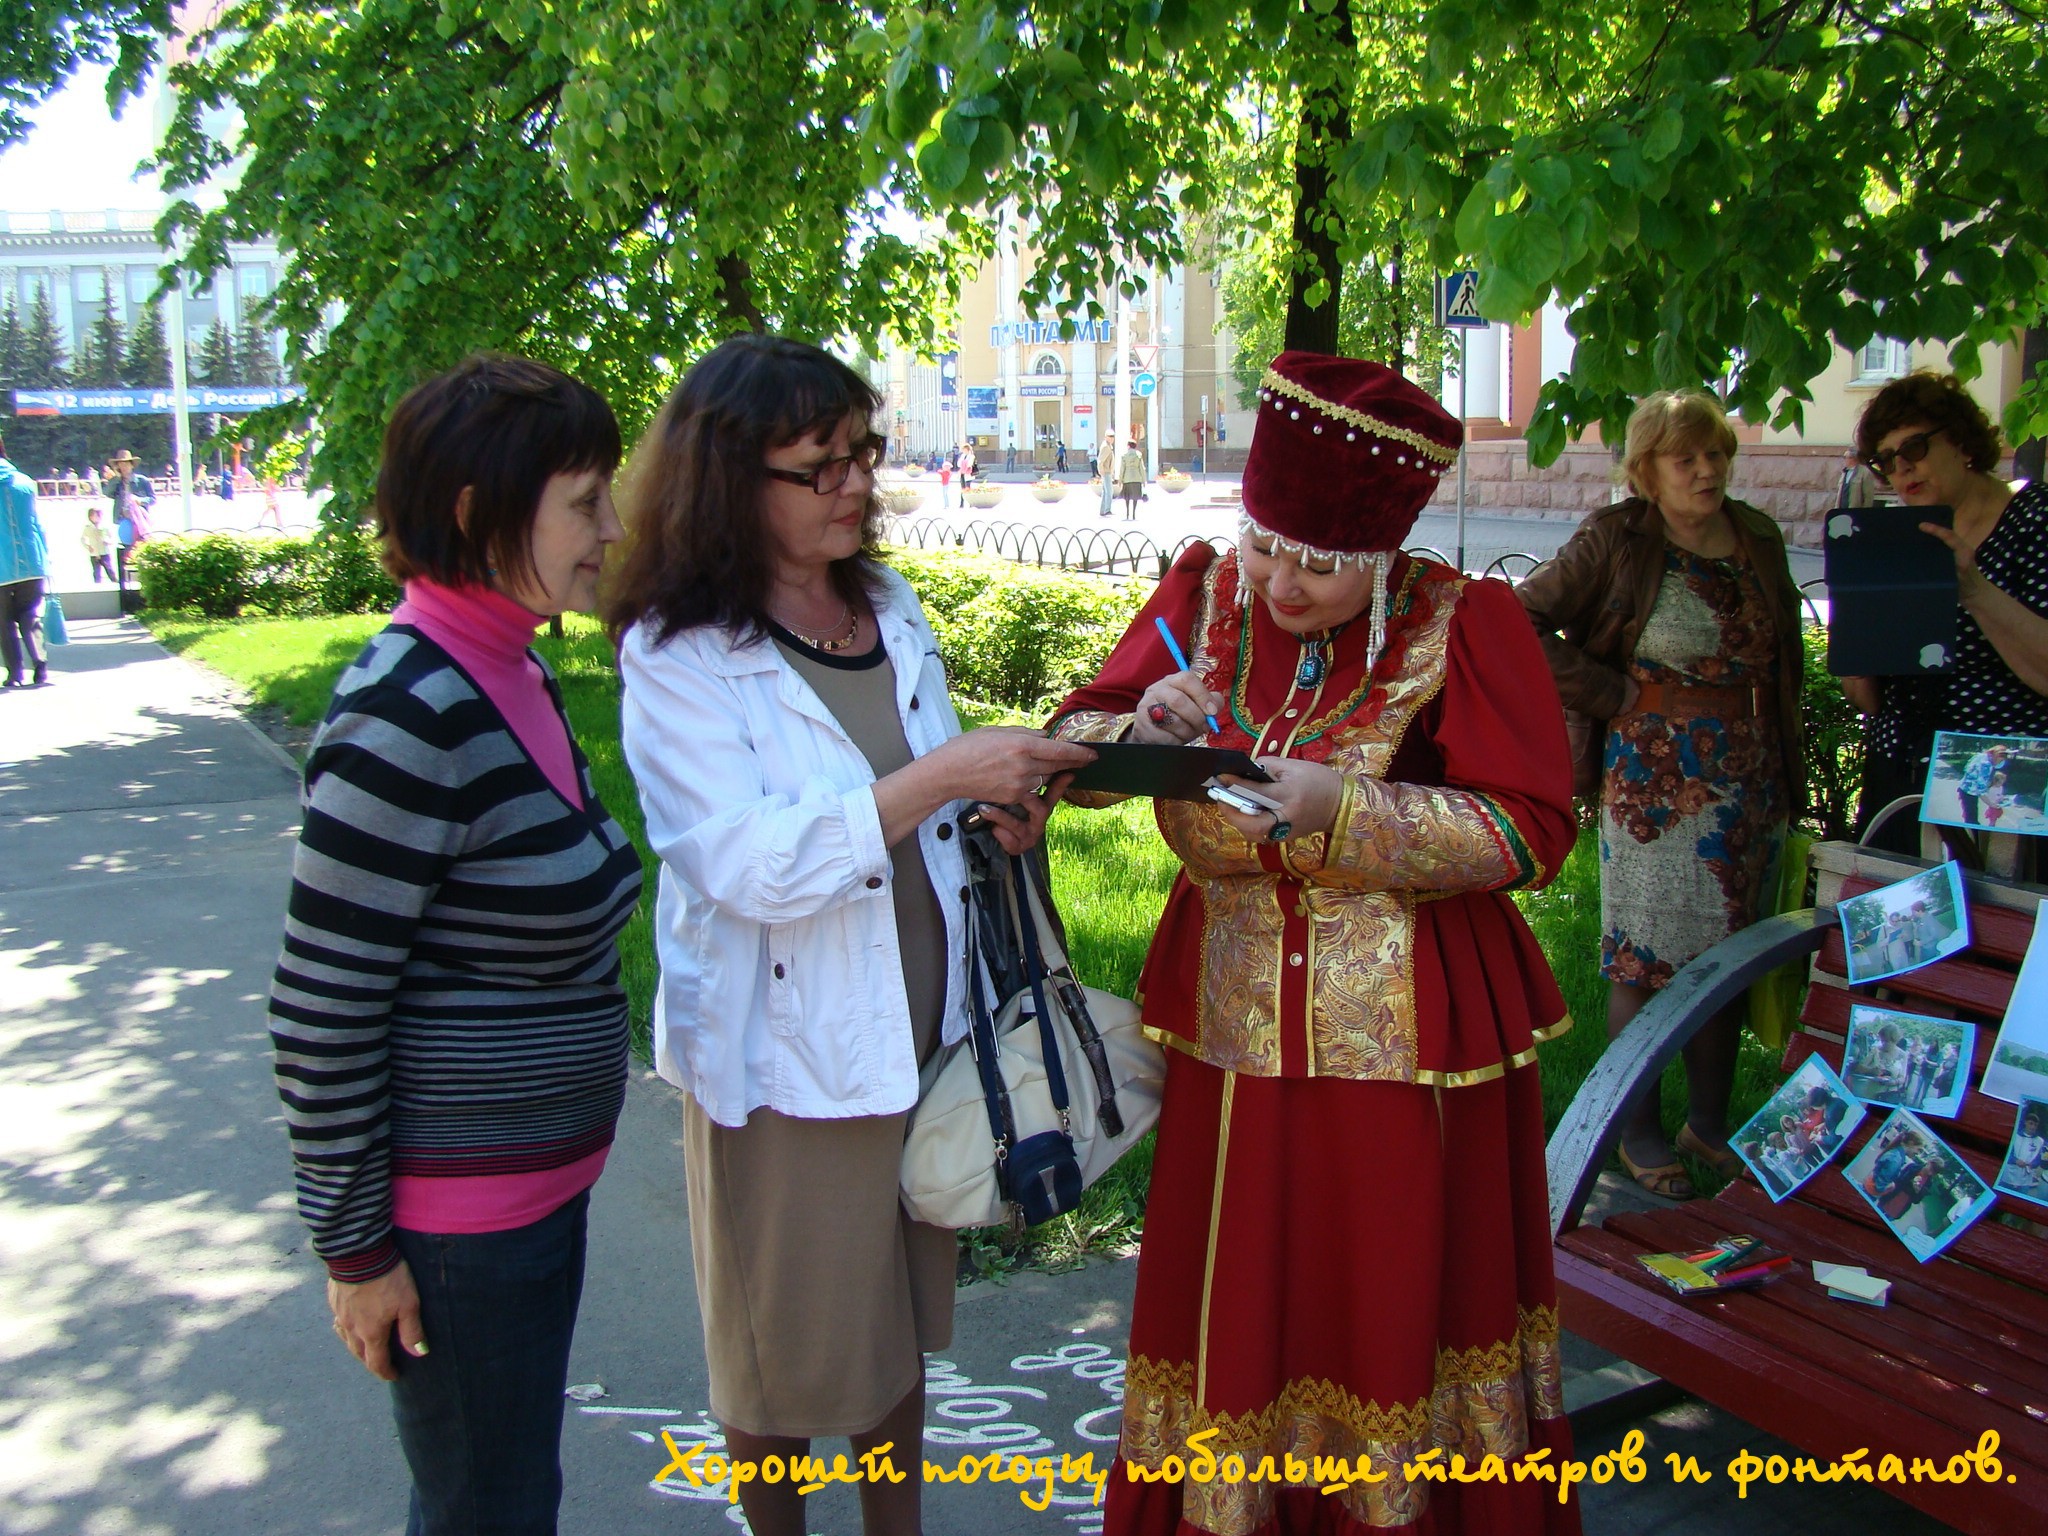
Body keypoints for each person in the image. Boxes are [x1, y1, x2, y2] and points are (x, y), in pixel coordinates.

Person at [1050, 351, 1580, 1535]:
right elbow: (1073, 744)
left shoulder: (1460, 623)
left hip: (1403, 1040)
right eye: (1264, 546)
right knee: (1237, 1291)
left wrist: (1343, 810)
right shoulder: (1203, 593)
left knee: (1382, 1291)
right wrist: (1142, 726)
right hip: (1229, 1028)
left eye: (1320, 565)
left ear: (1381, 555)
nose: (1280, 583)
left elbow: (1530, 829)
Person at [606, 333, 1095, 1536]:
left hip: (922, 1023)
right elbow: (740, 863)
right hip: (784, 1054)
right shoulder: (676, 652)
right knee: (775, 1352)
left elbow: (921, 795)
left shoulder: (886, 605)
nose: (856, 483)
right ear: (729, 480)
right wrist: (940, 778)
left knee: (893, 1329)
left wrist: (994, 811)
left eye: (863, 453)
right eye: (818, 465)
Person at [267, 354, 643, 1534]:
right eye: (584, 502)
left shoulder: (510, 667)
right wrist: (355, 1254)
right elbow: (320, 1008)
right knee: (488, 1508)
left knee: (511, 1493)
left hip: (529, 1201)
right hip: (456, 1235)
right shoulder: (407, 712)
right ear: (481, 515)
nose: (612, 529)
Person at [1517, 390, 1803, 1200]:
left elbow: (1784, 660)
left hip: (1748, 782)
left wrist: (1787, 773)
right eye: (1686, 458)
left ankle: (1707, 1125)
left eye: (1715, 453)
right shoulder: (1619, 538)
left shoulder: (1757, 535)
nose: (1706, 469)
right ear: (1647, 469)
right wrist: (1609, 692)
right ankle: (1635, 1128)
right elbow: (1518, 619)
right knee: (1643, 961)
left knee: (1728, 960)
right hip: (1654, 786)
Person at [1842, 372, 2048, 838]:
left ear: (1959, 440)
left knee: (1989, 893)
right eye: (1886, 460)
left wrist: (1975, 591)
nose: (1902, 468)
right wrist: (1857, 639)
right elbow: (1867, 699)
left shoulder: (2035, 518)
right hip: (1900, 777)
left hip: (2001, 788)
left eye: (1914, 448)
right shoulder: (1899, 540)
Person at [1, 442, 50, 689]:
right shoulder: (25, 482)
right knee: (30, 614)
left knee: (3, 622)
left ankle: (15, 673)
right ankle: (40, 664)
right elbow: (36, 523)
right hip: (32, 561)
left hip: (2, 566)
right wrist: (46, 558)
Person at [106, 448, 154, 587]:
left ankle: (144, 581)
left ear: (132, 465)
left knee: (142, 550)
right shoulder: (117, 482)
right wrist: (116, 478)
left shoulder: (142, 481)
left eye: (126, 463)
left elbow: (153, 499)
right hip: (124, 521)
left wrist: (140, 500)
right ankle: (126, 584)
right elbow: (107, 493)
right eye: (121, 464)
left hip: (139, 522)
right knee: (126, 553)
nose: (124, 466)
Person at [1955, 742, 2009, 824]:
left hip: (1964, 788)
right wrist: (1992, 804)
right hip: (1969, 793)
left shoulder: (1981, 756)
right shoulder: (1986, 765)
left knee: (1969, 815)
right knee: (1972, 820)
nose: (2001, 762)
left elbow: (1969, 771)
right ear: (1996, 756)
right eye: (2001, 760)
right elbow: (1981, 791)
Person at [1117, 438, 1145, 519]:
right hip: (1137, 478)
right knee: (1135, 497)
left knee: (1127, 497)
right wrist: (1143, 480)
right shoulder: (1139, 455)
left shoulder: (1124, 455)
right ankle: (1134, 514)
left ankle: (1127, 514)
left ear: (1128, 446)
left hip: (1127, 478)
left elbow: (1122, 469)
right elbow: (1142, 468)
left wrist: (1120, 480)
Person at [1096, 438, 1116, 516]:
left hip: (1107, 471)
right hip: (1106, 472)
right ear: (1106, 437)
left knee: (1105, 492)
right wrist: (1101, 471)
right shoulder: (1106, 447)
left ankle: (1103, 510)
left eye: (1113, 436)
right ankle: (1107, 510)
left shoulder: (1108, 446)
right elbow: (1100, 461)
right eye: (1110, 436)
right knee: (1109, 491)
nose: (1112, 438)